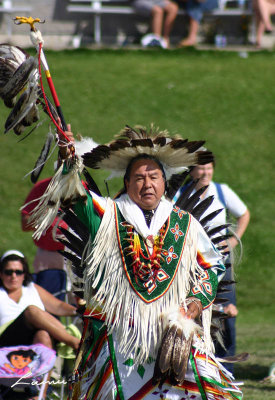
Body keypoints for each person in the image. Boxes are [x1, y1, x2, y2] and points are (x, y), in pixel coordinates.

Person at [29, 124, 245, 399]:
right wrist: (69, 160)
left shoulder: (185, 224)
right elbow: (77, 197)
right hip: (123, 334)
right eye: (139, 178)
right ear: (128, 183)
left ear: (164, 182)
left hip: (174, 329)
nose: (147, 184)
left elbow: (211, 266)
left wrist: (192, 306)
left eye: (154, 177)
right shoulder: (109, 216)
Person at [174, 160, 250, 373]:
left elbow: (244, 214)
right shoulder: (180, 195)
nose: (206, 172)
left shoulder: (221, 191)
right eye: (201, 168)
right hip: (190, 264)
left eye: (209, 168)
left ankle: (227, 371)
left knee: (227, 314)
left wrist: (233, 242)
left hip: (221, 262)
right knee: (190, 312)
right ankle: (193, 368)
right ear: (192, 171)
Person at [0, 249, 80, 352]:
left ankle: (46, 368)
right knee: (31, 310)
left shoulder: (32, 288)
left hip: (33, 337)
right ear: (1, 274)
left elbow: (58, 306)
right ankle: (74, 342)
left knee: (43, 335)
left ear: (24, 274)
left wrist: (79, 311)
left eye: (18, 272)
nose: (13, 276)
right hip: (8, 340)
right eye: (8, 272)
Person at [21, 177, 68, 273]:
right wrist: (45, 212)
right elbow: (25, 224)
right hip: (47, 257)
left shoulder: (84, 189)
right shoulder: (43, 187)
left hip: (76, 254)